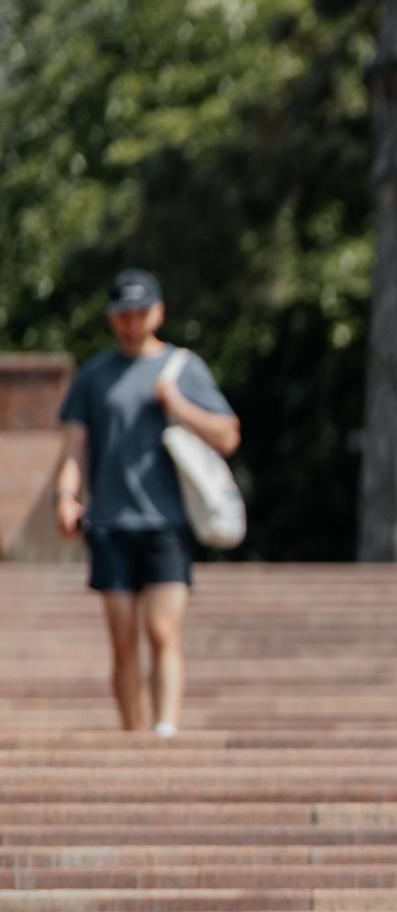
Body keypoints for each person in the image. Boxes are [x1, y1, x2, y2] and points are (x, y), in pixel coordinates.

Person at [52, 270, 241, 738]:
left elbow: (228, 436)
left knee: (162, 630)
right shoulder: (93, 376)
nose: (132, 321)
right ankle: (134, 736)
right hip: (110, 522)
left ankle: (166, 730)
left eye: (140, 312)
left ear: (158, 312)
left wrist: (177, 403)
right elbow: (74, 447)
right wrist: (66, 496)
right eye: (123, 313)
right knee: (121, 637)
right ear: (113, 318)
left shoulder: (182, 368)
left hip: (166, 521)